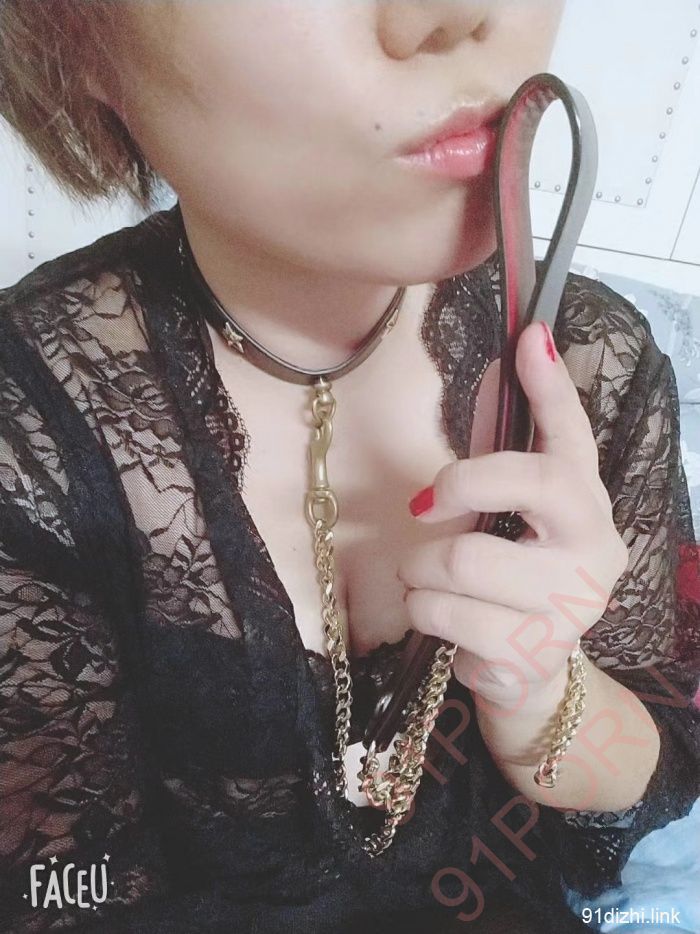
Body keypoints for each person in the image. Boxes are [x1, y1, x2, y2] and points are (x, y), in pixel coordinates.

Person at [0, 2, 698, 932]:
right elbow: (55, 891)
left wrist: (544, 695)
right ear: (71, 37)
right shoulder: (29, 420)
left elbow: (652, 771)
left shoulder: (591, 359)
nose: (459, 12)